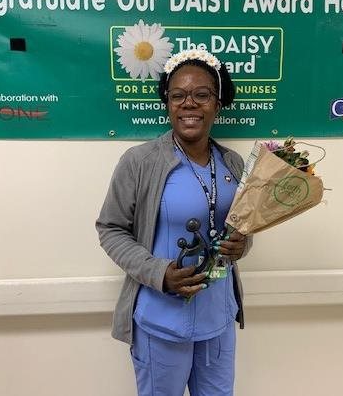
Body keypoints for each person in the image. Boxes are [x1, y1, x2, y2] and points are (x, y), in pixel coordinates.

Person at [96, 49, 252, 396]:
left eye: (202, 95)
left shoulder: (234, 164)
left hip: (217, 322)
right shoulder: (139, 162)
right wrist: (158, 272)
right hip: (160, 322)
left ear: (218, 101)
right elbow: (110, 229)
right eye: (178, 95)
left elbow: (244, 225)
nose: (189, 104)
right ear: (167, 102)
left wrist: (242, 245)